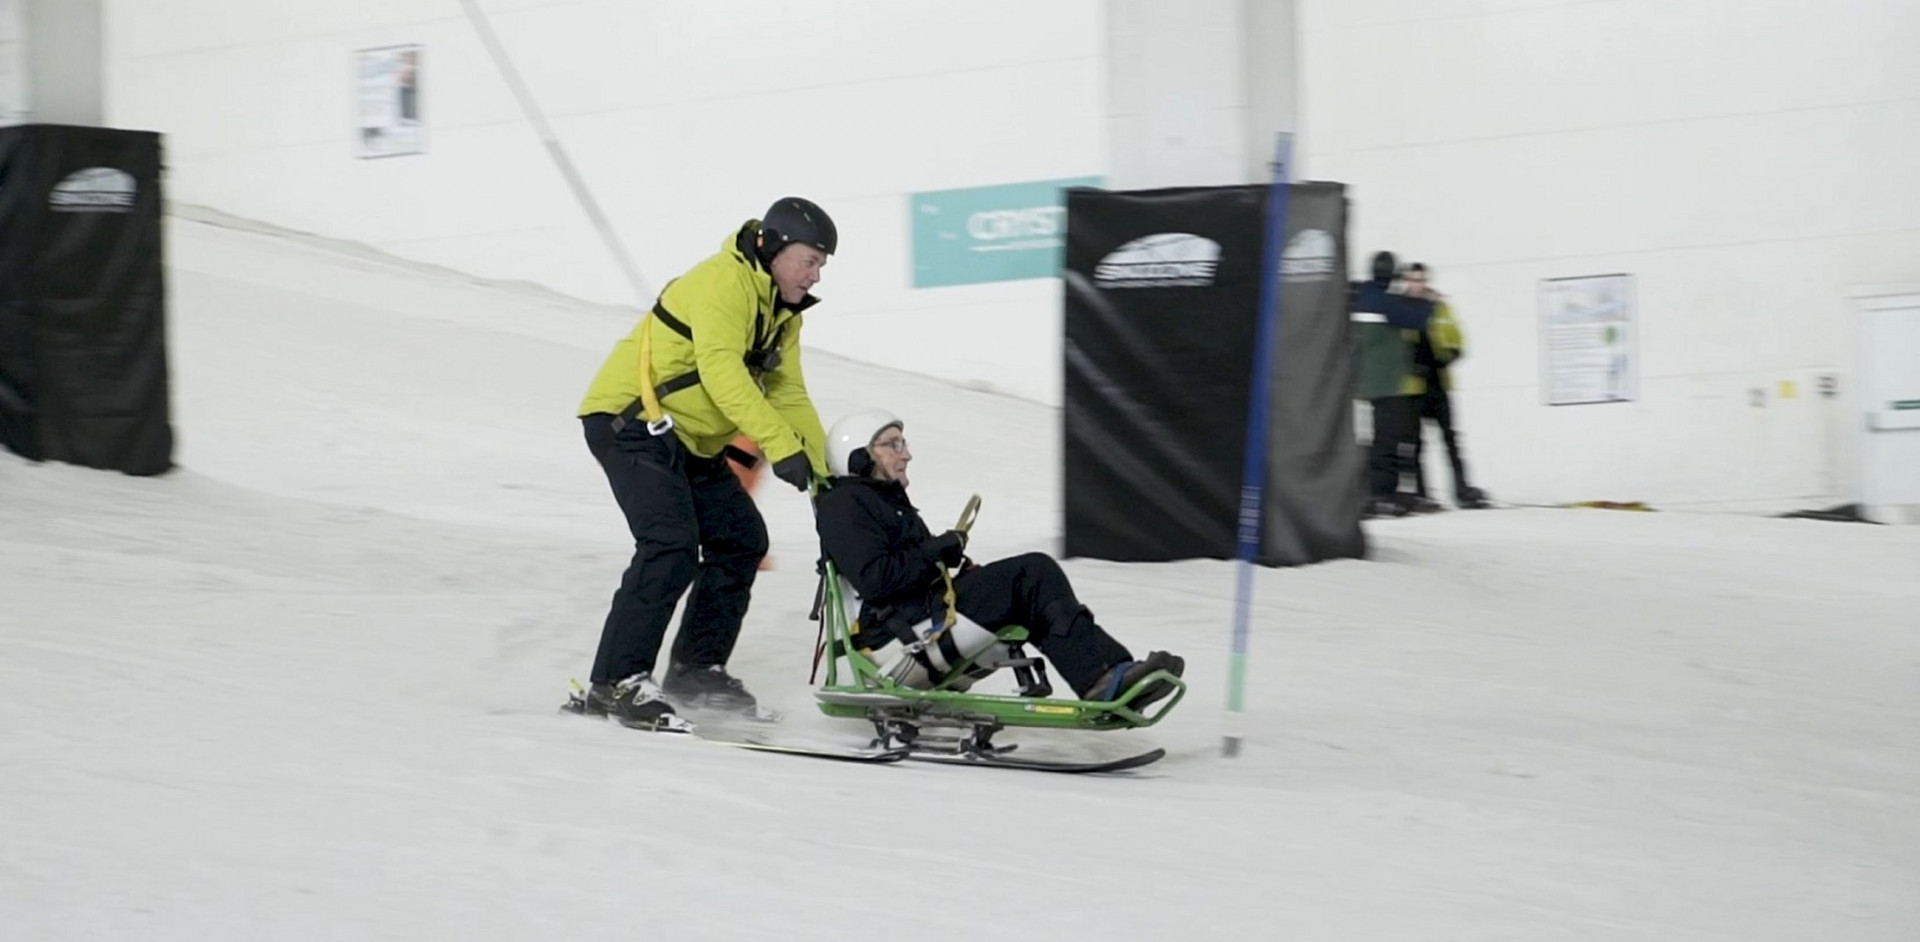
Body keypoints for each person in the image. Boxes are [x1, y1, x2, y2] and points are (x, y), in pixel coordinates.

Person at [575, 197, 837, 728]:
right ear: (775, 247)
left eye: (821, 265)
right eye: (809, 260)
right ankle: (614, 684)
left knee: (740, 539)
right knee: (669, 543)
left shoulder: (781, 314)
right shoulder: (724, 283)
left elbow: (788, 394)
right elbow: (723, 375)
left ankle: (696, 670)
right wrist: (780, 448)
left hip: (690, 441)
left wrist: (826, 475)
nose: (814, 275)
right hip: (631, 424)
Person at [813, 410, 1185, 707]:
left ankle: (1112, 674)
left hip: (918, 616)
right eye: (892, 445)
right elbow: (876, 579)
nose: (906, 453)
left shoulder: (882, 501)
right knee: (1032, 573)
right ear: (859, 456)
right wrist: (937, 550)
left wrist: (954, 562)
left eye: (903, 443)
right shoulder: (843, 504)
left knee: (1030, 584)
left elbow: (908, 567)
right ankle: (1104, 679)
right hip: (892, 639)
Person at [1351, 250, 1436, 518]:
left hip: (1364, 383)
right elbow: (1419, 319)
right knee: (1387, 442)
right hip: (1387, 384)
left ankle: (1373, 493)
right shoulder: (1385, 303)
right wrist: (1428, 301)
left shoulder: (1361, 295)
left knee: (1376, 440)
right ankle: (1381, 495)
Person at [1401, 263, 1489, 510]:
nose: (1417, 284)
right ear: (1406, 281)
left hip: (1439, 383)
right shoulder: (1398, 309)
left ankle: (1462, 490)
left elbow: (1457, 338)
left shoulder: (1439, 307)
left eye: (1420, 279)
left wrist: (1450, 354)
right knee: (1416, 443)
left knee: (1451, 441)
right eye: (1412, 279)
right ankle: (1421, 494)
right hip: (1413, 386)